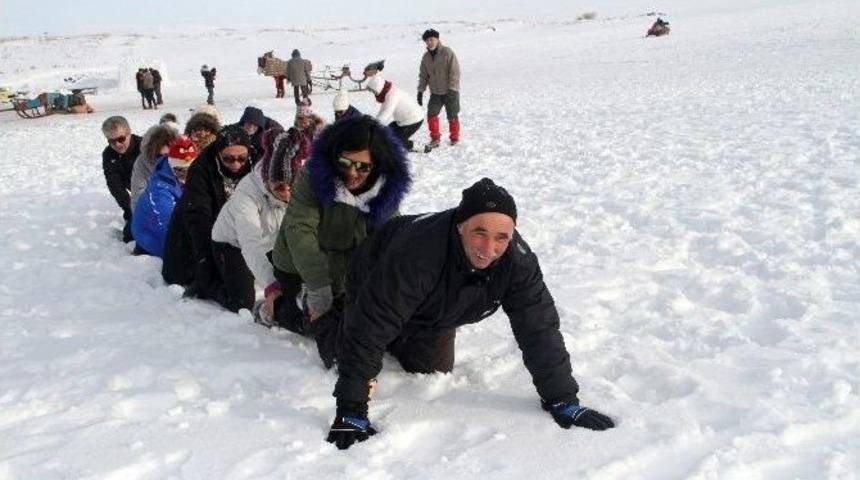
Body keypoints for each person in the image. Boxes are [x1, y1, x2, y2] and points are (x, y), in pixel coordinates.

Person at [323, 178, 615, 450]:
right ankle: (305, 314)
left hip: (435, 307)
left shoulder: (517, 262)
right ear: (461, 225)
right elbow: (372, 323)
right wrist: (352, 408)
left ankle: (400, 330)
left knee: (431, 368)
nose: (489, 248)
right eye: (480, 233)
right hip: (375, 276)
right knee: (343, 350)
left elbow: (539, 328)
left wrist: (562, 399)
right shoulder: (418, 254)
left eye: (502, 237)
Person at [261, 115, 411, 349]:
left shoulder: (384, 187)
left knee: (355, 321)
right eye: (345, 163)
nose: (352, 173)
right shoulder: (312, 176)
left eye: (363, 166)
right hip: (300, 264)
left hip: (347, 265)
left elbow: (392, 237)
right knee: (318, 323)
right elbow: (300, 230)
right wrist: (318, 286)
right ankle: (277, 307)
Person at [161, 125, 256, 298]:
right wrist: (206, 261)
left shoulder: (257, 162)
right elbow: (199, 217)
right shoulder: (201, 168)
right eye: (228, 158)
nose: (236, 164)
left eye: (241, 158)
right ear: (219, 153)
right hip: (206, 228)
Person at [210, 128, 298, 312]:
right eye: (280, 187)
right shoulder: (247, 192)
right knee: (242, 302)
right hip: (232, 243)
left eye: (293, 186)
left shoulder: (304, 187)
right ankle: (207, 284)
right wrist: (271, 286)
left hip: (272, 241)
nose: (288, 194)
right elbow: (249, 243)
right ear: (268, 179)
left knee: (292, 284)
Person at [131, 136, 198, 257]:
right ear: (172, 166)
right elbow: (173, 223)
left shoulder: (181, 174)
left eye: (190, 169)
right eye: (180, 170)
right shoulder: (159, 190)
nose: (186, 175)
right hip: (151, 235)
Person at [417, 28, 461, 147]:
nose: (430, 42)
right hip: (436, 93)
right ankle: (435, 139)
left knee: (452, 115)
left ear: (437, 39)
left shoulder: (447, 52)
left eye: (432, 39)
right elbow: (423, 75)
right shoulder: (426, 57)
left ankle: (454, 138)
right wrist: (420, 91)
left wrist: (452, 88)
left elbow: (455, 72)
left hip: (450, 91)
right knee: (431, 115)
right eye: (427, 41)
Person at [101, 116, 142, 242]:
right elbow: (114, 185)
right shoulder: (108, 155)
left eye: (121, 139)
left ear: (129, 133)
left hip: (156, 192)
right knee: (130, 236)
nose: (117, 144)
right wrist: (129, 207)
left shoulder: (145, 146)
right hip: (135, 197)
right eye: (111, 141)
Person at [366, 75, 430, 153]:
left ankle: (420, 147)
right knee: (386, 135)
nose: (374, 94)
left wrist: (373, 126)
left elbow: (386, 112)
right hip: (401, 121)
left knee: (397, 141)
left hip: (413, 120)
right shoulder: (388, 91)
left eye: (374, 92)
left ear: (378, 89)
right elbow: (383, 110)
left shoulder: (392, 95)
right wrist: (373, 123)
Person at [130, 119, 181, 212]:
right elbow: (138, 196)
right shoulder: (142, 164)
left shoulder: (185, 160)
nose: (165, 160)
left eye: (169, 156)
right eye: (160, 156)